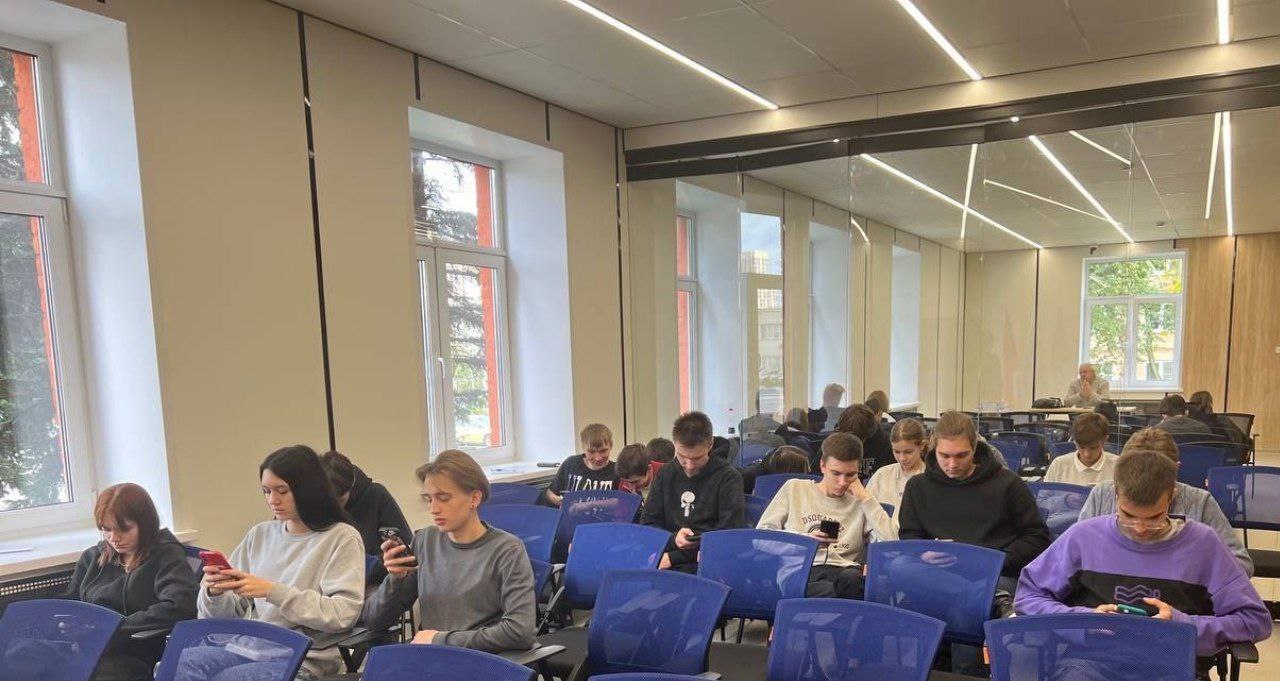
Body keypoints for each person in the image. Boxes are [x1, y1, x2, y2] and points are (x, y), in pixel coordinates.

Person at [1016, 448, 1272, 660]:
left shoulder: (1203, 544)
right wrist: (1082, 620)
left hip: (1170, 665)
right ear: (1115, 495)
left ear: (1171, 498)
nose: (1139, 528)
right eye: (1128, 515)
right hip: (1089, 662)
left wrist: (1182, 626)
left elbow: (1255, 621)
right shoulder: (1083, 537)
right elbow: (1028, 596)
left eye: (1154, 518)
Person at [194, 445, 364, 681]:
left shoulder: (341, 537)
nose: (272, 500)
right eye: (266, 491)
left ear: (308, 489)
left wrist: (273, 592)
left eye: (282, 491)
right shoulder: (259, 534)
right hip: (245, 648)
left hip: (301, 657)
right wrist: (215, 593)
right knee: (176, 665)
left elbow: (342, 614)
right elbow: (222, 618)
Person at [363, 450, 536, 653]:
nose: (434, 509)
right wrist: (396, 579)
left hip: (482, 662)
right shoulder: (425, 541)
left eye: (443, 498)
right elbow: (374, 620)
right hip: (434, 658)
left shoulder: (507, 550)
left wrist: (441, 640)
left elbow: (520, 632)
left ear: (474, 498)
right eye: (429, 499)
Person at [54, 484, 198, 681]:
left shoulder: (166, 556)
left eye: (124, 529)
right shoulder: (93, 557)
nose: (114, 538)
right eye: (106, 529)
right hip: (84, 644)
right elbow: (69, 601)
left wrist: (110, 628)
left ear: (145, 524)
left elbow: (179, 606)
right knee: (23, 654)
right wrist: (62, 622)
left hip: (130, 650)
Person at [897, 411, 1051, 592]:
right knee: (900, 566)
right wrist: (922, 553)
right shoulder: (917, 487)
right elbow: (909, 535)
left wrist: (992, 560)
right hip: (938, 571)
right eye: (944, 456)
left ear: (974, 448)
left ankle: (976, 596)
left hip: (994, 573)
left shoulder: (1008, 483)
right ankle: (977, 596)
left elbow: (1036, 537)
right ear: (933, 449)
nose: (952, 464)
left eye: (961, 455)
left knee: (985, 591)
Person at [1079, 428, 1253, 575]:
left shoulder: (1199, 502)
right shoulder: (1102, 494)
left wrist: (1187, 571)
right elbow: (1077, 551)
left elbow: (1241, 565)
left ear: (1175, 470)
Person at [757, 433, 896, 599]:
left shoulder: (861, 501)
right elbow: (761, 539)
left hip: (846, 571)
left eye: (850, 475)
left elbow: (893, 544)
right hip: (803, 570)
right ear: (822, 466)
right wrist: (806, 542)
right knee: (851, 594)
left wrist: (866, 498)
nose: (842, 482)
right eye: (836, 473)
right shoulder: (794, 488)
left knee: (852, 581)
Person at [641, 411, 744, 573]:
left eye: (697, 458)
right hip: (667, 554)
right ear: (675, 444)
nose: (689, 466)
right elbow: (648, 524)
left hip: (708, 560)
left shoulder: (728, 477)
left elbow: (728, 535)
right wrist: (673, 539)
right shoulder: (665, 474)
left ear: (710, 444)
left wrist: (675, 557)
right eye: (682, 457)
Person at [321, 450, 411, 585]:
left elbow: (402, 549)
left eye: (339, 501)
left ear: (351, 485)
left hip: (374, 583)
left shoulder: (376, 497)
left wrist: (369, 565)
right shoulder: (319, 503)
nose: (334, 507)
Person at [544, 423, 617, 507]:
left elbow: (622, 502)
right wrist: (560, 502)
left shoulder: (617, 470)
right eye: (591, 452)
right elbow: (550, 493)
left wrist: (584, 506)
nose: (598, 458)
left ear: (611, 446)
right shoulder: (571, 463)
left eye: (603, 451)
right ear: (583, 448)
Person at [865, 418, 927, 513]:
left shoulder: (931, 479)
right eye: (896, 452)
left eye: (908, 452)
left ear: (921, 446)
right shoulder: (882, 474)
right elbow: (865, 510)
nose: (902, 458)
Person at [1043, 412, 1118, 485]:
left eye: (1093, 448)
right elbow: (1045, 493)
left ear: (1104, 440)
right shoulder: (1059, 465)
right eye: (1081, 447)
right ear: (1074, 441)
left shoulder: (1118, 466)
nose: (1087, 454)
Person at [833, 404, 893, 476]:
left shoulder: (884, 442)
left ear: (868, 435)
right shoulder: (834, 442)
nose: (854, 445)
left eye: (859, 439)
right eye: (850, 439)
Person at [740, 445, 810, 495]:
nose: (809, 470)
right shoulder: (751, 481)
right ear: (790, 470)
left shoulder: (770, 472)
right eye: (804, 467)